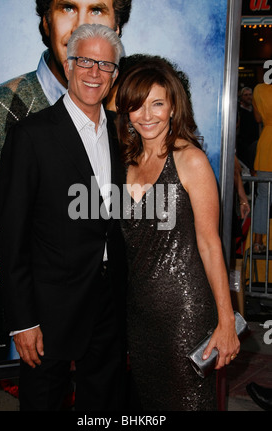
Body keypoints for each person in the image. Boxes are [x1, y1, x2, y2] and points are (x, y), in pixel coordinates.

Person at [0, 24, 127, 411]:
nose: (94, 72)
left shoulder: (123, 134)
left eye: (105, 65)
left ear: (115, 75)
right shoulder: (31, 136)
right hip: (49, 307)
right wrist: (22, 321)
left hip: (108, 300)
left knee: (103, 405)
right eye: (85, 60)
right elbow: (11, 235)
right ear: (67, 65)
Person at [0, 0, 132, 285]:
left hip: (114, 318)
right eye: (68, 7)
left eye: (97, 10)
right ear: (46, 21)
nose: (82, 25)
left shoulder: (134, 116)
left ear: (116, 28)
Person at [115, 57, 240, 411]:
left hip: (185, 312)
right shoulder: (125, 160)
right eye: (137, 105)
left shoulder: (190, 160)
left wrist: (226, 320)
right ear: (126, 111)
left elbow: (210, 244)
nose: (147, 115)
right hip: (140, 315)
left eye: (157, 103)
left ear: (173, 107)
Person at [252, 82, 272, 253]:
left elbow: (258, 119)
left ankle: (258, 242)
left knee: (263, 197)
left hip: (267, 144)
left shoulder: (260, 90)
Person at [236, 87, 259, 172]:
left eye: (250, 94)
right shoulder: (238, 111)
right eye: (246, 95)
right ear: (241, 97)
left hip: (255, 143)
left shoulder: (256, 110)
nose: (249, 97)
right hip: (242, 146)